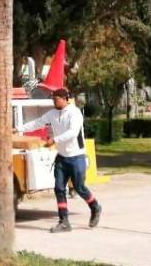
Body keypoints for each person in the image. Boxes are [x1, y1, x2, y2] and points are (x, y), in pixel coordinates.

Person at [16, 87, 101, 232]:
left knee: (79, 187)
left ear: (65, 99)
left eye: (56, 99)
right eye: (53, 99)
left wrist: (54, 140)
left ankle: (95, 207)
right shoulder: (52, 113)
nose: (54, 102)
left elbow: (72, 133)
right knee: (59, 188)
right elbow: (37, 123)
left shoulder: (75, 113)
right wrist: (18, 129)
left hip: (76, 156)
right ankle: (64, 221)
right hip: (62, 158)